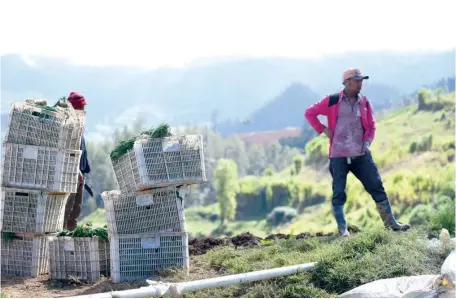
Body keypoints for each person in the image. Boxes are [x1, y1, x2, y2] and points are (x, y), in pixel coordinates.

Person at [304, 68, 410, 237]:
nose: (361, 83)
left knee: (376, 186)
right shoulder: (332, 101)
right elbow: (310, 113)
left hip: (361, 154)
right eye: (357, 80)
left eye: (361, 80)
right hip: (338, 155)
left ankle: (391, 224)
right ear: (347, 82)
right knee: (339, 192)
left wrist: (367, 142)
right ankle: (343, 231)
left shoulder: (364, 102)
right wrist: (323, 129)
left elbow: (371, 126)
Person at [63, 91, 91, 231]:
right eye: (81, 108)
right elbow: (67, 153)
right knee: (67, 210)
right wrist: (76, 170)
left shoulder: (79, 125)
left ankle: (69, 238)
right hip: (70, 174)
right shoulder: (68, 127)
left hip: (80, 176)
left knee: (75, 211)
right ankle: (60, 238)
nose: (84, 111)